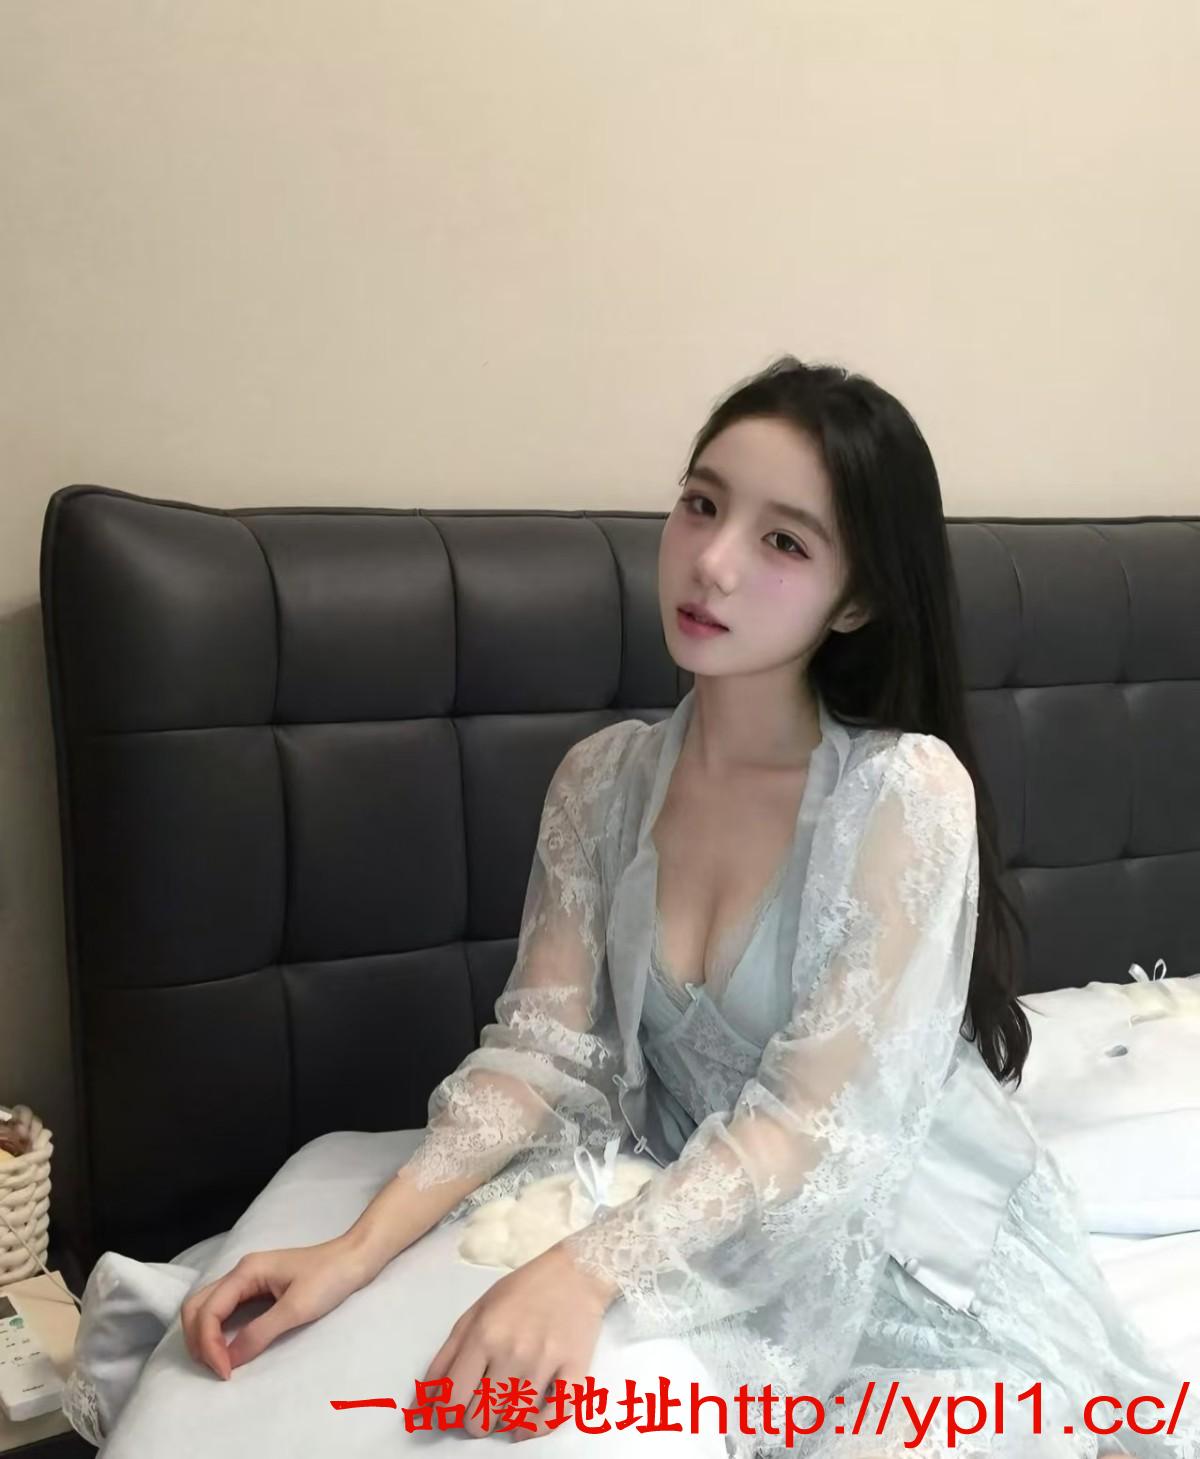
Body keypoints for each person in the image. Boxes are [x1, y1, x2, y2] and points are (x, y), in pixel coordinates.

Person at [177, 357, 1193, 1459]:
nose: (711, 561)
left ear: (856, 598)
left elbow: (814, 1125)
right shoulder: (600, 782)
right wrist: (355, 1248)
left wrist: (586, 1267)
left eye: (783, 541)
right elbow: (539, 1057)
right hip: (707, 1219)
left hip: (908, 1247)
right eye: (702, 504)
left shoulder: (903, 793)